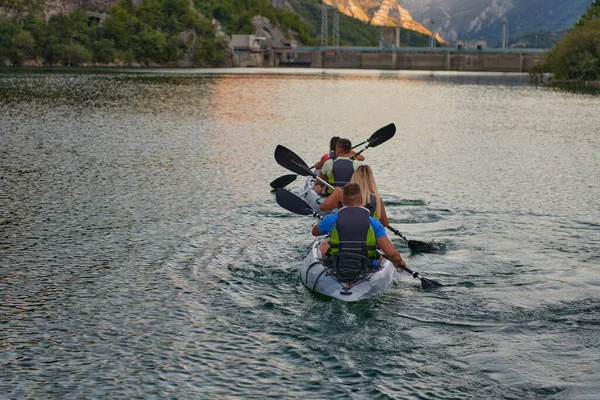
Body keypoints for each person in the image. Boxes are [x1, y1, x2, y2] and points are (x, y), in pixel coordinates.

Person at [311, 183, 406, 269]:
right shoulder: (374, 222)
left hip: (337, 262)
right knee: (381, 250)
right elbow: (391, 253)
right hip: (365, 263)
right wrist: (399, 261)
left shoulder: (331, 219)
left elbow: (314, 232)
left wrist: (323, 224)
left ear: (343, 200)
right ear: (361, 200)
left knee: (323, 244)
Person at [319, 165, 389, 227]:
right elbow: (385, 224)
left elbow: (323, 207)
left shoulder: (345, 194)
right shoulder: (377, 199)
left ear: (354, 177)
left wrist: (336, 192)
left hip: (345, 231)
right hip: (368, 235)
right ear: (371, 180)